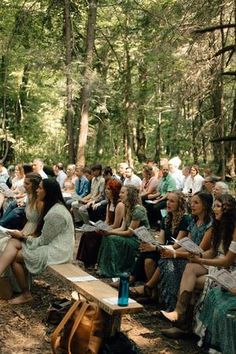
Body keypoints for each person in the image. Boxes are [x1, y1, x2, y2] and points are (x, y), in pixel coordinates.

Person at [159, 194, 236, 339]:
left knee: (193, 279)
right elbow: (212, 251)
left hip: (230, 270)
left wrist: (201, 261)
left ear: (228, 210)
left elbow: (227, 261)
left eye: (218, 206)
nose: (215, 209)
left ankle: (183, 324)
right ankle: (179, 314)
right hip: (216, 264)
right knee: (190, 267)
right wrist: (198, 257)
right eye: (214, 205)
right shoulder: (218, 226)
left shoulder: (234, 230)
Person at [0, 179, 75, 304]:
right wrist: (20, 236)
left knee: (14, 257)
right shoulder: (53, 207)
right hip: (50, 246)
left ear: (48, 192)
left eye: (40, 188)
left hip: (57, 252)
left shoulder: (56, 213)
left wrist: (23, 237)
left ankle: (26, 294)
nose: (37, 190)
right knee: (13, 242)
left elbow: (43, 242)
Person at [156, 191, 213, 311]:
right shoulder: (194, 221)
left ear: (206, 206)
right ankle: (168, 303)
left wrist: (175, 254)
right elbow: (188, 244)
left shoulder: (210, 225)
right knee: (165, 261)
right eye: (191, 202)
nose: (192, 205)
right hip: (189, 256)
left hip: (201, 261)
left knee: (170, 265)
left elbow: (199, 251)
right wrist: (171, 251)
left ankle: (174, 307)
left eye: (196, 203)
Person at [129, 191, 190, 300]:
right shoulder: (166, 218)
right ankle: (152, 291)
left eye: (172, 201)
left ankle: (144, 286)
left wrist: (155, 247)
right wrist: (151, 243)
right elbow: (161, 240)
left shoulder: (185, 220)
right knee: (146, 252)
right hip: (164, 249)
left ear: (179, 204)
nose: (168, 203)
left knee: (150, 255)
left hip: (175, 251)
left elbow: (177, 245)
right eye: (167, 200)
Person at [97, 185, 149, 277]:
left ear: (130, 195)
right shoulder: (127, 207)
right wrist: (107, 230)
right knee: (107, 237)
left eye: (122, 193)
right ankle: (106, 268)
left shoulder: (138, 210)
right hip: (131, 236)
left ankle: (115, 269)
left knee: (112, 238)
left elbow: (130, 233)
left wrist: (111, 232)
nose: (120, 194)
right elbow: (122, 228)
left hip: (139, 240)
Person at [76, 178, 124, 268]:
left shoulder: (119, 205)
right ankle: (87, 261)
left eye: (109, 189)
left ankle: (92, 261)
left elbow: (116, 225)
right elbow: (107, 220)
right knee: (88, 232)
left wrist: (103, 229)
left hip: (115, 230)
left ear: (115, 190)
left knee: (93, 235)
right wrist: (99, 225)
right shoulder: (110, 203)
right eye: (106, 188)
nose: (106, 191)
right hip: (108, 227)